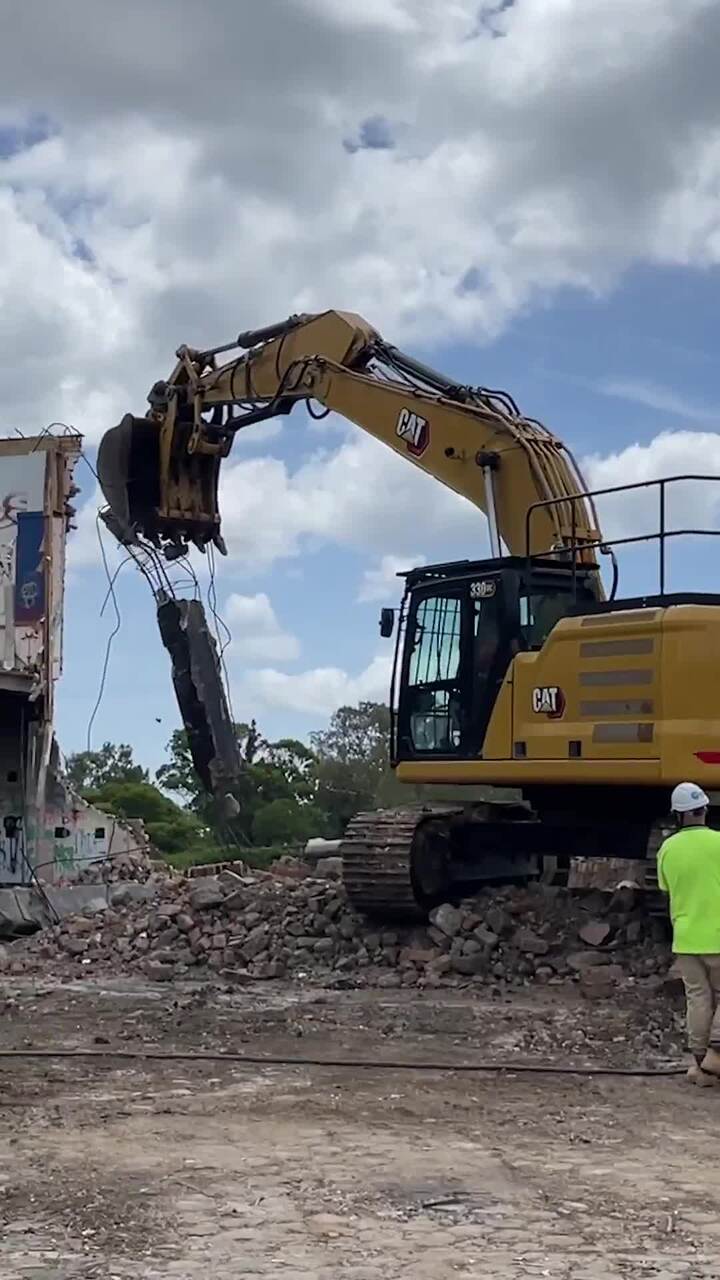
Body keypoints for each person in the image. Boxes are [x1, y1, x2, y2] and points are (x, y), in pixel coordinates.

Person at [657, 782, 720, 1086]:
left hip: (685, 936)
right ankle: (715, 1057)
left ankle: (700, 1064)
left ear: (677, 815)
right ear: (704, 809)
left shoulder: (667, 848)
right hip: (718, 935)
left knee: (697, 997)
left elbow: (666, 889)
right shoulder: (719, 843)